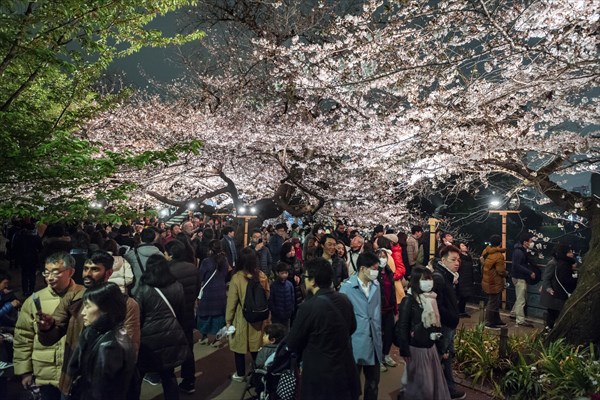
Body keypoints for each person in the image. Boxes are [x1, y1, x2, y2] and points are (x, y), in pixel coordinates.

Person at [36, 250, 140, 397]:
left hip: (104, 386)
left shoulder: (126, 304)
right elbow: (49, 337)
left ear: (108, 272)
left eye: (95, 269)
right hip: (72, 380)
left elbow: (130, 348)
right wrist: (47, 328)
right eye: (85, 269)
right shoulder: (74, 296)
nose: (87, 274)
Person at [286, 257, 359, 400]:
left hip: (319, 375)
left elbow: (293, 342)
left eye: (305, 277)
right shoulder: (344, 300)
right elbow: (352, 327)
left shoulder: (308, 307)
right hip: (344, 371)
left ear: (313, 280)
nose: (304, 280)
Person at [14, 253, 82, 400]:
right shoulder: (34, 301)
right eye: (46, 272)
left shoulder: (83, 296)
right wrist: (25, 371)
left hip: (74, 373)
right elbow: (23, 337)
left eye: (56, 272)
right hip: (45, 373)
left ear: (71, 272)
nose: (49, 277)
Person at [134, 254, 190, 400]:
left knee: (139, 374)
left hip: (148, 337)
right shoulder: (177, 286)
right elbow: (181, 313)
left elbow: (138, 317)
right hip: (171, 334)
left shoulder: (143, 288)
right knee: (168, 374)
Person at [67, 283, 136, 400]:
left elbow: (99, 392)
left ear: (105, 309)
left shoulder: (108, 346)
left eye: (88, 306)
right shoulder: (107, 333)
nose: (83, 312)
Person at [394, 267, 450, 400]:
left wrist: (442, 346)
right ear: (415, 281)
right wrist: (404, 350)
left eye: (429, 278)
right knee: (423, 387)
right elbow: (403, 326)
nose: (429, 282)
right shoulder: (409, 300)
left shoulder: (432, 299)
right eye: (424, 279)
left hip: (430, 349)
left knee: (432, 383)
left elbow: (437, 325)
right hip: (416, 349)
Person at [339, 252, 382, 400]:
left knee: (373, 383)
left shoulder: (376, 285)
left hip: (374, 341)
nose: (376, 272)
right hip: (355, 342)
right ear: (363, 268)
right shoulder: (346, 289)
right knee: (351, 384)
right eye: (374, 268)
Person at [226, 247, 270, 381]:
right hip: (259, 317)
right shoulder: (261, 276)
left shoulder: (237, 278)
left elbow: (231, 303)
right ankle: (258, 373)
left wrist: (228, 320)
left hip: (242, 317)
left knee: (239, 347)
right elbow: (267, 295)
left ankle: (240, 374)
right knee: (257, 347)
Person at [165, 239, 199, 394]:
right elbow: (197, 288)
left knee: (170, 349)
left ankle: (169, 381)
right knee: (188, 348)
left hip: (172, 315)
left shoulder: (168, 270)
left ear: (170, 254)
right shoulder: (192, 268)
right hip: (188, 313)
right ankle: (189, 380)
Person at [433, 245, 466, 400]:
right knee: (441, 355)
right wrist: (450, 317)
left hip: (449, 322)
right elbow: (437, 304)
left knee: (447, 355)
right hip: (445, 323)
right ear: (443, 260)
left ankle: (448, 386)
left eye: (458, 259)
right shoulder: (439, 277)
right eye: (453, 260)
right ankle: (442, 388)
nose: (457, 262)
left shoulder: (450, 276)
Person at [197, 239, 230, 345]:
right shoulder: (224, 260)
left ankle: (204, 336)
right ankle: (217, 339)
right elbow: (226, 275)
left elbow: (200, 276)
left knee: (204, 314)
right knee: (218, 315)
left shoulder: (206, 262)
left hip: (208, 291)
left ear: (210, 249)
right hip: (220, 290)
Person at [541, 244, 578, 330]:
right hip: (554, 293)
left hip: (556, 293)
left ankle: (549, 328)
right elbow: (546, 277)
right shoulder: (553, 263)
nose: (572, 253)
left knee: (553, 313)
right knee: (552, 313)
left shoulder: (561, 262)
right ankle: (549, 328)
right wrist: (548, 288)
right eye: (569, 252)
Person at [375, 248, 398, 372]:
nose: (382, 258)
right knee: (378, 335)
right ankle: (378, 359)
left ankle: (386, 355)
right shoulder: (374, 273)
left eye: (384, 256)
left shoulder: (389, 272)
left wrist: (395, 308)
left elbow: (392, 291)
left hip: (389, 308)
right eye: (379, 256)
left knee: (389, 334)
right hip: (378, 310)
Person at [124, 228, 162, 294]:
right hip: (156, 291)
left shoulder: (131, 254)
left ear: (140, 238)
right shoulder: (161, 255)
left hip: (137, 290)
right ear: (154, 239)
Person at [480, 235, 507, 328]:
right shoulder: (499, 256)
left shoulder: (486, 251)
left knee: (494, 301)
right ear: (500, 243)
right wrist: (506, 273)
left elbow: (482, 261)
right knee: (493, 302)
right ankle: (489, 322)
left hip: (487, 279)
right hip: (494, 281)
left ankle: (496, 319)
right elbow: (500, 271)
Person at [510, 232, 537, 327]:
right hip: (519, 277)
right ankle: (520, 320)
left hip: (518, 277)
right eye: (530, 241)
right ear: (525, 242)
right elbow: (517, 265)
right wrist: (530, 272)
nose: (531, 243)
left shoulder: (519, 250)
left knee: (520, 297)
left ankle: (514, 313)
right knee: (521, 298)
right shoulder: (519, 252)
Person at [269, 262, 295, 329]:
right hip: (277, 317)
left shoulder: (290, 285)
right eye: (282, 273)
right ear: (277, 273)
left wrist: (291, 310)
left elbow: (292, 299)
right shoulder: (273, 286)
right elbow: (271, 301)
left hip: (287, 316)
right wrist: (275, 312)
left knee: (286, 333)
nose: (284, 275)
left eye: (286, 273)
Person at [457, 242, 476, 318]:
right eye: (462, 245)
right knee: (461, 295)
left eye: (465, 245)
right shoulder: (459, 256)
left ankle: (462, 311)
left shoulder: (468, 256)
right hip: (461, 277)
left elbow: (471, 268)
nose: (464, 247)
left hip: (468, 277)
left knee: (466, 295)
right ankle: (459, 311)